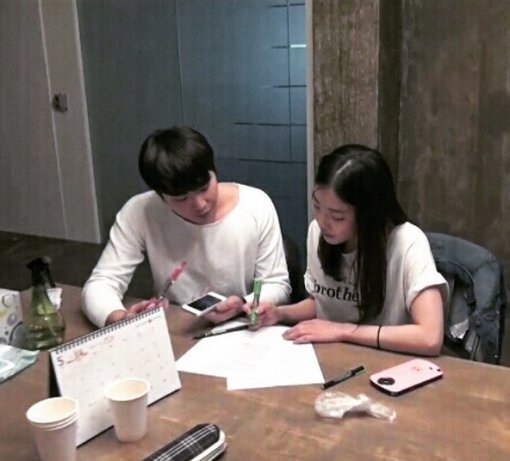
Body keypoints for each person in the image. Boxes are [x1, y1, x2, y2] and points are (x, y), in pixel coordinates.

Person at [248, 144, 448, 356]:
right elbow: (322, 303)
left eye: (337, 216)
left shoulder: (408, 242)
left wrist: (343, 331)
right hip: (334, 357)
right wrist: (280, 314)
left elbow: (429, 337)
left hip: (389, 362)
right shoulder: (318, 233)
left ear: (369, 214)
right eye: (317, 206)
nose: (322, 222)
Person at [82, 126, 290, 327]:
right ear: (160, 195)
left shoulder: (255, 205)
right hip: (174, 326)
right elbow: (101, 283)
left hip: (239, 325)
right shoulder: (140, 211)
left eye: (204, 188)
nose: (199, 204)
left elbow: (276, 284)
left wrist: (244, 304)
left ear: (213, 171)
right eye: (181, 198)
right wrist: (120, 319)